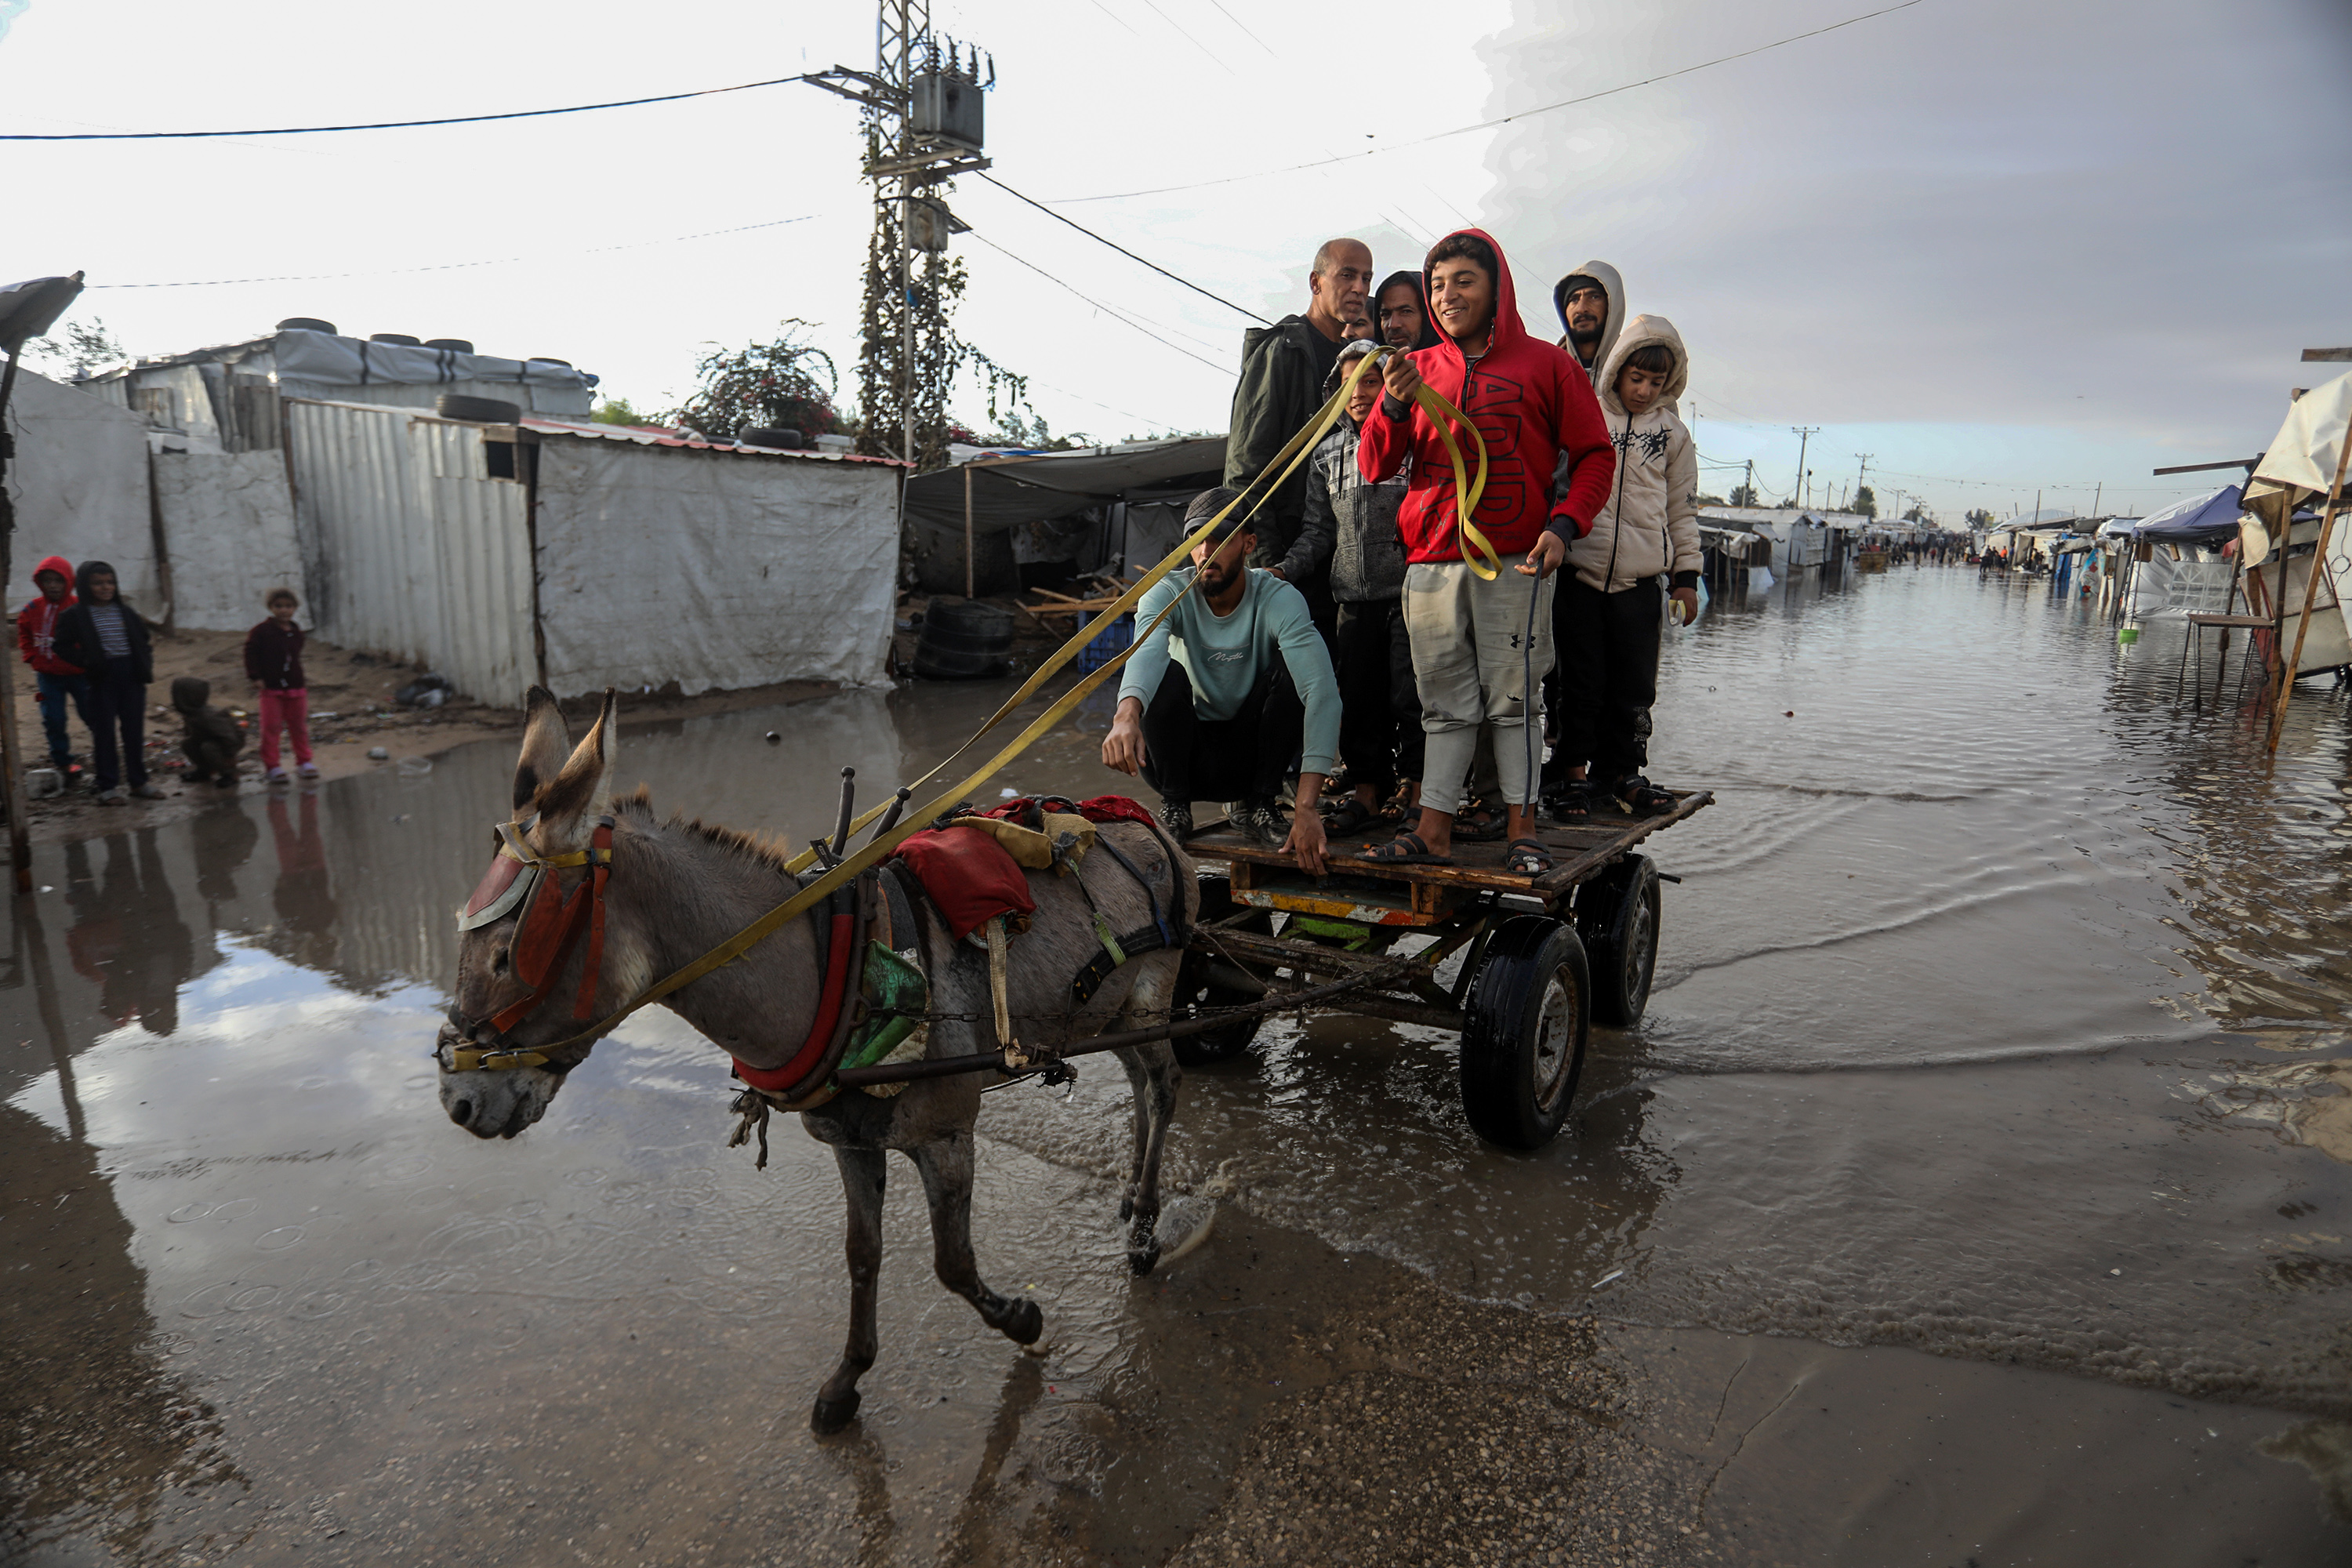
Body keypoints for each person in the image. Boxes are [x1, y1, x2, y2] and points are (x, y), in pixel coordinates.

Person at [1357, 230, 1615, 877]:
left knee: (1516, 700)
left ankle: (1522, 830)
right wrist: (1391, 402)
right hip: (1430, 563)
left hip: (1517, 561)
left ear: (1496, 286)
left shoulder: (1547, 365)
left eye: (1464, 282)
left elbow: (1594, 455)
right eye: (1437, 285)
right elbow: (1373, 465)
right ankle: (1434, 828)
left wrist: (1563, 525)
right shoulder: (1415, 371)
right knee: (1441, 702)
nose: (1448, 296)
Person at [1102, 487, 1340, 873]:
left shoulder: (1278, 597)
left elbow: (1322, 694)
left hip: (1252, 762)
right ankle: (1176, 808)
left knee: (1290, 670)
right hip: (1179, 762)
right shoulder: (1166, 592)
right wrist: (1125, 716)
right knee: (1166, 671)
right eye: (1197, 541)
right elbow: (1144, 654)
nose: (1206, 553)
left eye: (1220, 540)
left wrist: (1306, 807)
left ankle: (1262, 805)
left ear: (1249, 544)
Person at [1548, 315, 1701, 821]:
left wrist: (1686, 579)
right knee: (1579, 682)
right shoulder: (1588, 417)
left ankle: (1624, 774)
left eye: (1656, 382)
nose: (1643, 390)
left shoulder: (1673, 435)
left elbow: (1681, 510)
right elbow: (1561, 483)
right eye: (1636, 378)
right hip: (1580, 575)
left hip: (1640, 582)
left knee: (1634, 685)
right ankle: (1572, 776)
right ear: (1616, 370)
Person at [1300, 339, 1418, 838]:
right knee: (1358, 697)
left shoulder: (1413, 434)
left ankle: (1415, 792)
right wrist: (1284, 570)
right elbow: (1317, 530)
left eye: (1371, 380)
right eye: (1350, 383)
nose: (1359, 392)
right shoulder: (1325, 452)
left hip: (1410, 592)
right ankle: (1367, 793)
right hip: (1350, 596)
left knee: (1412, 695)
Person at [1224, 238, 1374, 604]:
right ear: (1315, 282)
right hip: (1287, 562)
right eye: (1347, 275)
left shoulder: (1353, 361)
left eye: (1367, 278)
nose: (1359, 288)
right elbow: (1246, 470)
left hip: (1339, 563)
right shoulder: (1283, 352)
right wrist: (1268, 565)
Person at [51, 561, 162, 804]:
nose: (105, 588)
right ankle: (107, 787)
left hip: (131, 678)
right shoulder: (75, 615)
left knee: (133, 732)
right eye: (98, 583)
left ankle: (138, 782)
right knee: (104, 734)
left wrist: (144, 664)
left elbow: (143, 640)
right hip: (101, 680)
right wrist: (88, 662)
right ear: (84, 585)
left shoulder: (125, 611)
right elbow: (61, 646)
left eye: (110, 582)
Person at [16, 554, 85, 781]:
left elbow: (92, 639)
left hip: (80, 675)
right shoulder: (31, 610)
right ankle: (63, 762)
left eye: (58, 580)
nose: (53, 586)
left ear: (69, 582)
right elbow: (24, 634)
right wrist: (32, 658)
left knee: (93, 714)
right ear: (39, 583)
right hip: (48, 676)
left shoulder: (80, 608)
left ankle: (106, 755)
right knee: (53, 719)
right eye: (47, 581)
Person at [245, 586, 318, 782]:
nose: (284, 610)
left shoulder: (296, 632)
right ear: (271, 607)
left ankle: (304, 762)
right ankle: (273, 766)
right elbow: (250, 653)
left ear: (295, 608)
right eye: (279, 606)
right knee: (271, 727)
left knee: (299, 726)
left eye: (288, 606)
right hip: (271, 688)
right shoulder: (261, 632)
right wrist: (255, 677)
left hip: (295, 686)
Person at [1555, 261, 1626, 389]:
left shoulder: (1636, 372)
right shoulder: (1549, 369)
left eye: (1594, 297)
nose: (1581, 309)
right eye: (1574, 300)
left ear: (1612, 305)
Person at [172, 677, 245, 789]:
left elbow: (229, 737)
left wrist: (229, 757)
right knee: (188, 744)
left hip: (229, 741)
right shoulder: (192, 713)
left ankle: (230, 774)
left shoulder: (209, 716)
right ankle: (205, 771)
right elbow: (190, 733)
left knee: (209, 748)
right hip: (211, 739)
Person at [1374, 271, 1439, 353]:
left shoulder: (1455, 364)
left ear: (1429, 315)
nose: (1393, 325)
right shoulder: (1369, 364)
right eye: (1385, 314)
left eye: (1406, 312)